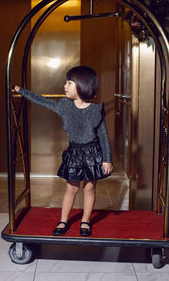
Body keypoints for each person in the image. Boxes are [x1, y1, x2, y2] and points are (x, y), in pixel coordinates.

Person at [14, 65, 113, 237]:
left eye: (69, 83)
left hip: (92, 154)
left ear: (82, 84)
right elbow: (41, 100)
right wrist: (20, 90)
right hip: (74, 153)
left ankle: (85, 221)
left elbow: (103, 136)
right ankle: (63, 220)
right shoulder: (63, 106)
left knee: (89, 189)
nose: (64, 86)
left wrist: (107, 159)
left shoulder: (96, 110)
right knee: (71, 189)